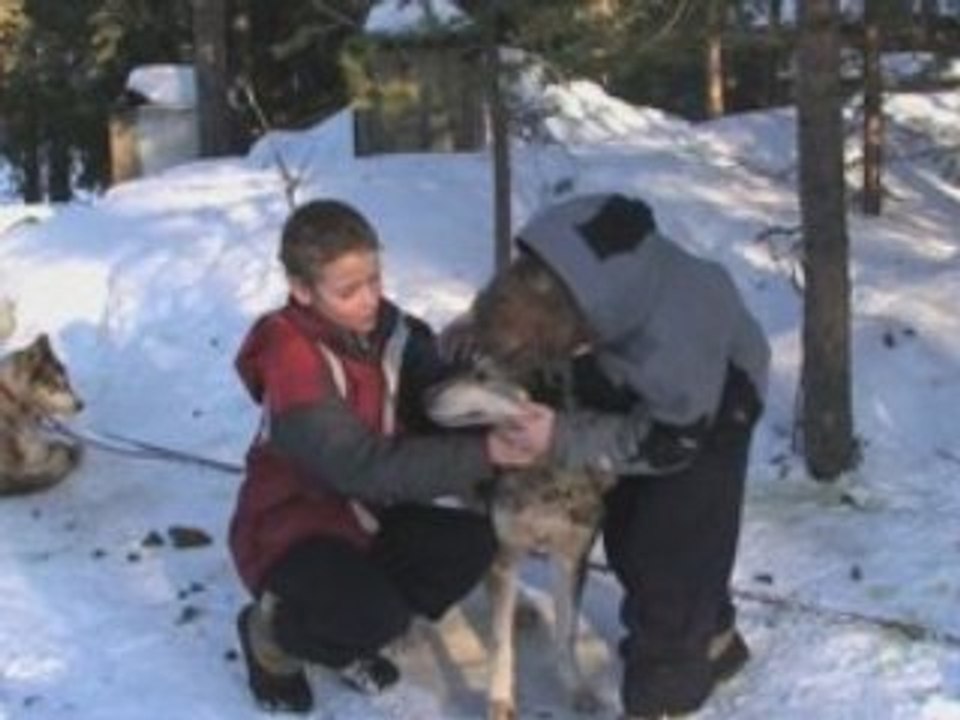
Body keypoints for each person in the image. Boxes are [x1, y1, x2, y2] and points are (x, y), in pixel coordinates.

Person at [469, 192, 771, 719]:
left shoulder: (673, 346)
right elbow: (520, 305)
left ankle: (664, 693)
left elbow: (665, 439)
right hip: (633, 371)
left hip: (713, 403)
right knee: (627, 528)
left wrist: (559, 437)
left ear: (574, 334)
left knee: (669, 555)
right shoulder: (556, 256)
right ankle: (716, 638)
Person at [228, 199, 525, 714]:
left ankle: (346, 627)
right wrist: (486, 452)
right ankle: (272, 635)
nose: (369, 299)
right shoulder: (290, 353)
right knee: (374, 616)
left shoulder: (395, 333)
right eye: (348, 291)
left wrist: (495, 408)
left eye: (374, 280)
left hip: (364, 516)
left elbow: (435, 399)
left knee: (471, 544)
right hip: (290, 529)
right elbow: (358, 464)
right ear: (302, 290)